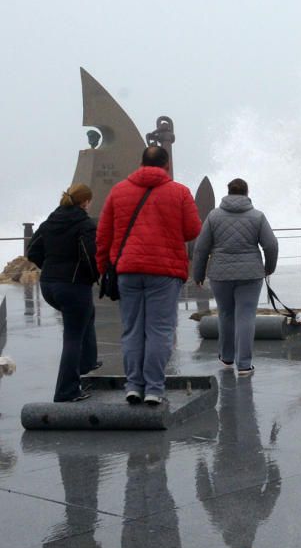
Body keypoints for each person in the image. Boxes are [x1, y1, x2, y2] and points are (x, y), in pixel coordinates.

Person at [96, 145, 201, 405]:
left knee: (132, 330)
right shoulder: (179, 192)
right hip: (164, 272)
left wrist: (104, 269)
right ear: (166, 166)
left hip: (128, 271)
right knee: (160, 331)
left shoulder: (118, 191)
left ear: (141, 163)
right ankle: (154, 388)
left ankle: (133, 386)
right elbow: (192, 230)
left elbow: (103, 234)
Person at [192, 178, 278, 377]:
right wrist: (269, 268)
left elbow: (201, 248)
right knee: (246, 316)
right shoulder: (257, 217)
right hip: (250, 274)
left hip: (220, 274)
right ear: (247, 193)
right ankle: (245, 365)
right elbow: (271, 245)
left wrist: (198, 274)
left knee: (226, 314)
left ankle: (227, 357)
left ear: (228, 192)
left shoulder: (214, 216)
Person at [26, 184, 100, 402]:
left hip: (48, 285)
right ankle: (66, 392)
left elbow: (33, 251)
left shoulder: (50, 222)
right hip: (73, 286)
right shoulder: (84, 224)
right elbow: (89, 256)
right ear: (85, 202)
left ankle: (87, 362)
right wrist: (94, 277)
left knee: (87, 315)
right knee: (72, 337)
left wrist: (49, 267)